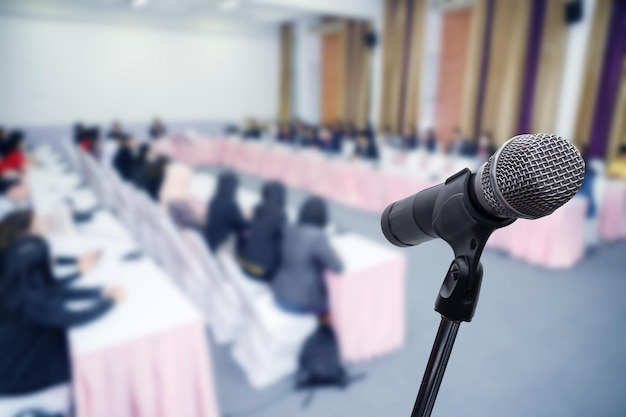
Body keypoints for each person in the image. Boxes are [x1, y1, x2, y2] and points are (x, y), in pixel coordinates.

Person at [0, 210, 122, 395]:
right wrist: (110, 301)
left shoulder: (14, 270)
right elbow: (72, 318)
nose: (46, 228)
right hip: (17, 375)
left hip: (19, 356)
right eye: (40, 225)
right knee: (95, 365)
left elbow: (49, 290)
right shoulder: (26, 294)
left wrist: (95, 290)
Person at [271, 197, 343, 317]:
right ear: (323, 216)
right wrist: (332, 251)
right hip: (299, 303)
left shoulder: (288, 228)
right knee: (336, 307)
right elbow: (338, 267)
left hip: (278, 293)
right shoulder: (318, 237)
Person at [238, 181, 287, 281]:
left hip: (245, 265)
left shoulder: (257, 209)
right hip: (263, 272)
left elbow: (244, 233)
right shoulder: (281, 217)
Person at [203, 171, 248, 252]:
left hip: (207, 241)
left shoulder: (214, 201)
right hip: (218, 246)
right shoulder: (231, 205)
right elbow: (240, 225)